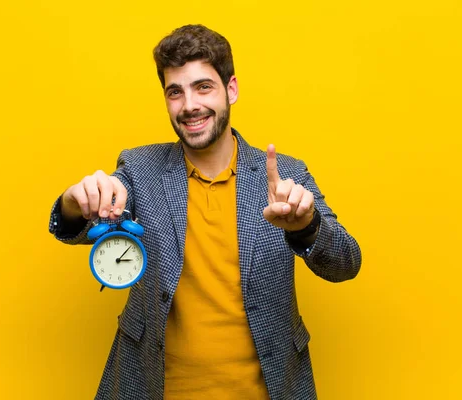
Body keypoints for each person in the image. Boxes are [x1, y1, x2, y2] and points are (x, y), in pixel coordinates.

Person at [48, 24, 361, 400]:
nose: (189, 105)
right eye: (175, 92)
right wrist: (75, 201)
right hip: (154, 387)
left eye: (203, 87)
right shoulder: (139, 168)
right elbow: (90, 223)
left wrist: (307, 227)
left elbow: (347, 263)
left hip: (269, 389)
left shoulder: (287, 177)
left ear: (231, 89)